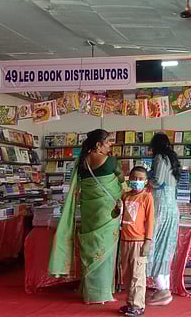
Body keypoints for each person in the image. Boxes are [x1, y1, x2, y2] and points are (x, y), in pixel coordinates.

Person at [49, 129, 124, 304]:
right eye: (108, 142)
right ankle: (102, 294)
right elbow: (120, 179)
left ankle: (89, 292)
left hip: (89, 211)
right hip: (107, 212)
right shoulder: (111, 162)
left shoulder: (81, 162)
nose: (110, 145)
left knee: (90, 249)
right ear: (99, 145)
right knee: (104, 252)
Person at [146, 133, 181, 306]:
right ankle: (164, 289)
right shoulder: (172, 159)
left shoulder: (159, 158)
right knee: (166, 246)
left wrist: (145, 178)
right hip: (172, 206)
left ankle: (162, 290)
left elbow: (157, 181)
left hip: (161, 205)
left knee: (155, 245)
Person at [116, 166, 154, 317]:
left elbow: (150, 221)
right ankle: (130, 303)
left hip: (139, 241)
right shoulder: (125, 196)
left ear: (145, 182)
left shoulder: (147, 197)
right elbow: (116, 216)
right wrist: (117, 208)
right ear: (129, 179)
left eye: (140, 179)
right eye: (134, 178)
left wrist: (148, 242)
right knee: (126, 275)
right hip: (125, 240)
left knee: (137, 275)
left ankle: (138, 305)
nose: (136, 181)